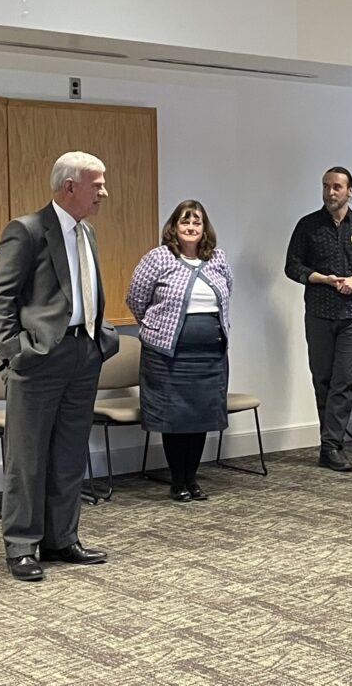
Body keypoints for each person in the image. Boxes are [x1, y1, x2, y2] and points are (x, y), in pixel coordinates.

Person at [0, 151, 120, 582]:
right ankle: (22, 546)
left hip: (84, 353)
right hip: (39, 358)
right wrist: (15, 352)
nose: (103, 192)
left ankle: (62, 538)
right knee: (27, 457)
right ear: (69, 187)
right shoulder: (26, 231)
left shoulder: (87, 231)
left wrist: (102, 336)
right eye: (96, 184)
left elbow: (84, 291)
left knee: (69, 452)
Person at [126, 200, 233, 502]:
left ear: (204, 228)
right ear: (173, 227)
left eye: (196, 222)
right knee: (175, 418)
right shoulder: (158, 258)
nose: (190, 227)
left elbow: (227, 294)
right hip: (167, 356)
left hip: (209, 356)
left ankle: (192, 478)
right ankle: (177, 481)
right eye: (184, 222)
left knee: (199, 417)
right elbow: (135, 298)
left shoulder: (218, 259)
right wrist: (156, 328)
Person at [285, 166, 352, 473]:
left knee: (344, 379)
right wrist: (320, 278)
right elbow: (292, 266)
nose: (330, 192)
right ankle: (329, 441)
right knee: (323, 379)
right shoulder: (308, 226)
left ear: (349, 191)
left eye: (337, 187)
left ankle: (331, 446)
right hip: (319, 313)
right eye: (326, 186)